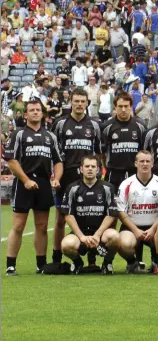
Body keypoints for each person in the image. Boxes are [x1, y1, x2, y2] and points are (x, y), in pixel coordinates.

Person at [4, 99, 63, 276]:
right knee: (19, 226)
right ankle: (11, 265)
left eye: (38, 110)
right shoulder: (19, 134)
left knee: (42, 226)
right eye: (32, 110)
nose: (35, 112)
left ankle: (41, 264)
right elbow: (12, 161)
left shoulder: (50, 136)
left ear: (43, 113)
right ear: (26, 114)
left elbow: (58, 161)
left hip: (43, 184)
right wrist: (25, 180)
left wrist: (56, 179)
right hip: (23, 184)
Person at [51, 89, 102, 266]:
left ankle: (92, 258)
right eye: (76, 101)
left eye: (82, 101)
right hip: (66, 178)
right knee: (60, 219)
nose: (79, 104)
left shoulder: (94, 125)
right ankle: (56, 256)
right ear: (70, 102)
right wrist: (56, 177)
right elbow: (54, 153)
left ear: (87, 103)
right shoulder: (60, 124)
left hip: (89, 178)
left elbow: (99, 153)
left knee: (91, 217)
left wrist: (99, 174)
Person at [60, 155, 120, 274]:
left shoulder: (107, 188)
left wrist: (97, 235)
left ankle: (107, 263)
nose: (90, 169)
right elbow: (68, 215)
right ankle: (78, 263)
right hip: (80, 233)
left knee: (115, 237)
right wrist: (81, 236)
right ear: (81, 169)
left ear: (98, 169)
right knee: (66, 245)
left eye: (93, 166)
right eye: (87, 166)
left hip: (101, 234)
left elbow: (111, 214)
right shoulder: (72, 188)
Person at [116, 151, 158, 274]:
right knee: (124, 243)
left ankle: (156, 260)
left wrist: (153, 229)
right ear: (135, 163)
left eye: (147, 161)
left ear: (152, 164)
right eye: (141, 161)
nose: (144, 164)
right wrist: (135, 230)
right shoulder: (126, 184)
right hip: (132, 227)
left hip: (154, 227)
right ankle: (132, 262)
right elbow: (121, 212)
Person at [100, 93, 147, 188]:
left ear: (131, 107)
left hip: (135, 172)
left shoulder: (141, 126)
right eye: (120, 106)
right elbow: (102, 153)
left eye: (126, 106)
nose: (123, 109)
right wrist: (106, 166)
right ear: (115, 107)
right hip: (113, 173)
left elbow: (145, 151)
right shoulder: (106, 127)